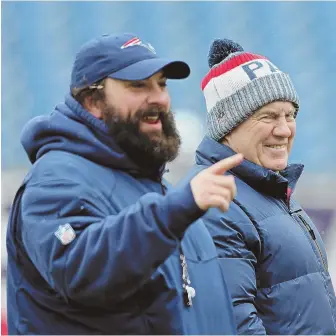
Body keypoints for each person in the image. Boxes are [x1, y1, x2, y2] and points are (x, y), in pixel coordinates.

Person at [6, 33, 242, 335]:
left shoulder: (162, 192)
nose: (159, 97)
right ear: (93, 101)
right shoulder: (56, 178)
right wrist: (174, 212)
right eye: (138, 85)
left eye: (162, 84)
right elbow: (80, 270)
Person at [181, 38, 336, 334]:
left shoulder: (266, 190)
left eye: (290, 115)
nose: (284, 129)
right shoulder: (215, 200)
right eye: (268, 117)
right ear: (227, 126)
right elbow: (231, 325)